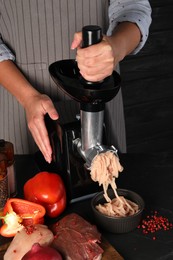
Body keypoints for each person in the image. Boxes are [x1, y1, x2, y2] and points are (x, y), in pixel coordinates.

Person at [0, 0, 152, 163]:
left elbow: (133, 7)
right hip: (19, 100)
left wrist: (116, 46)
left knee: (105, 179)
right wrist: (27, 96)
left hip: (100, 99)